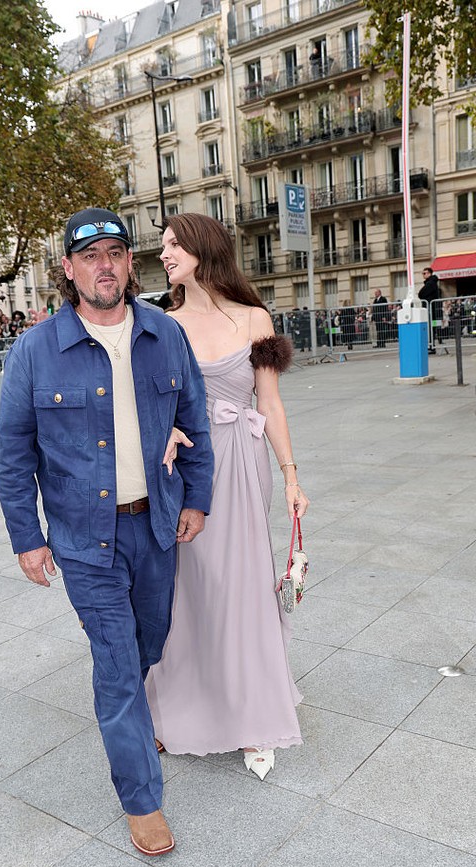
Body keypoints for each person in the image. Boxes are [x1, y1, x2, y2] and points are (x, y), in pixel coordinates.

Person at [0, 207, 214, 856]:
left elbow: (193, 420)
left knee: (150, 638)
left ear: (129, 262)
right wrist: (25, 536)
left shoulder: (164, 335)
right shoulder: (35, 351)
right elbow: (13, 454)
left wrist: (196, 497)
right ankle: (142, 798)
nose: (104, 264)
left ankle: (135, 719)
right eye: (89, 255)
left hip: (155, 528)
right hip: (83, 539)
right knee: (118, 663)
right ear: (68, 268)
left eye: (115, 251)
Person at [145, 213, 310, 781]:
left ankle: (251, 714)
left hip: (243, 464)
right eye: (162, 246)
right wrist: (162, 429)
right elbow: (149, 402)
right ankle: (182, 703)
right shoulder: (164, 324)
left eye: (172, 245)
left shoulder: (254, 317)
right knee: (191, 589)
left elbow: (271, 403)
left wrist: (291, 477)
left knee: (241, 587)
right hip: (190, 468)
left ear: (202, 249)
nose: (163, 254)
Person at [418, 266, 441, 348]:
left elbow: (421, 294)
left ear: (429, 273)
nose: (423, 275)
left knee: (430, 327)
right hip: (430, 308)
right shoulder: (431, 282)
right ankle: (431, 344)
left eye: (424, 273)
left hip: (430, 308)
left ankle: (431, 346)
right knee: (431, 327)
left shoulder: (430, 283)